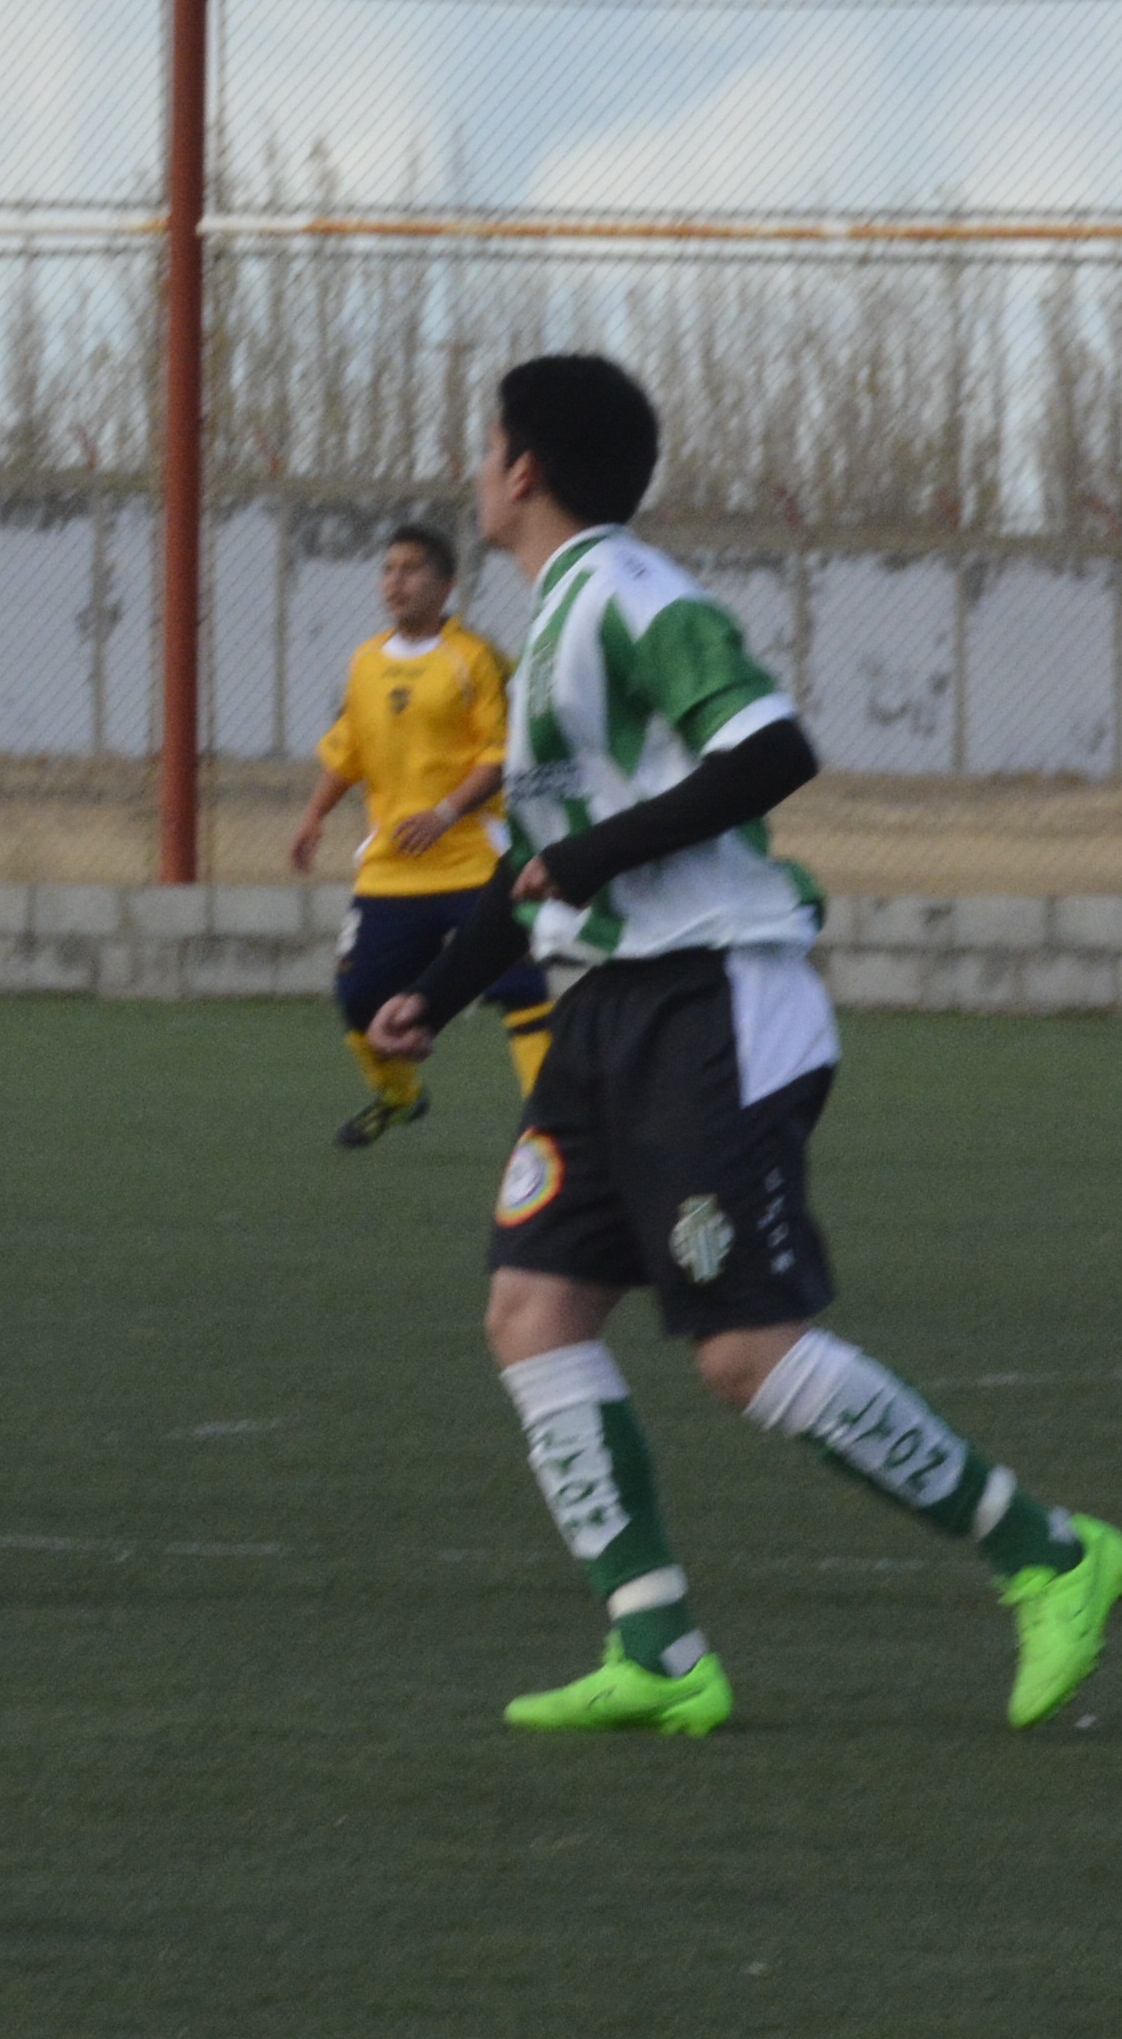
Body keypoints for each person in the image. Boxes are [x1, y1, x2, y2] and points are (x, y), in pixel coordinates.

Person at [372, 351, 1118, 1736]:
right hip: (600, 1015)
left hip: (706, 1003)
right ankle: (654, 1646)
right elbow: (538, 861)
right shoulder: (548, 627)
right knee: (528, 1312)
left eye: (484, 447)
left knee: (741, 1353)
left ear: (520, 466)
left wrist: (590, 856)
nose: (474, 470)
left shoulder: (631, 594)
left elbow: (770, 750)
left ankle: (1051, 1554)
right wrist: (438, 983)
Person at [286, 521, 552, 1149]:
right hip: (391, 868)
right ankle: (400, 1096)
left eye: (411, 569)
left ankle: (550, 1127)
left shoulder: (473, 658)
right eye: (388, 570)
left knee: (519, 987)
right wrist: (313, 816)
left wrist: (446, 812)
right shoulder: (365, 660)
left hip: (472, 861)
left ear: (447, 584)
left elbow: (500, 754)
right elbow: (348, 750)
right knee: (358, 999)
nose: (395, 582)